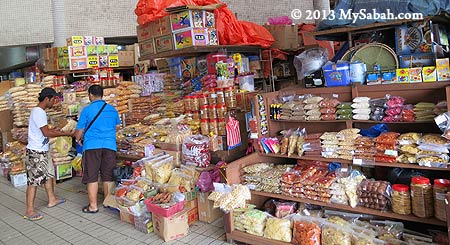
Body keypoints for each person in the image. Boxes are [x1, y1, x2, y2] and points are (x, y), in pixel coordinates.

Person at [24, 87, 73, 221]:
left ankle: (52, 199)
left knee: (49, 175)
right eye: (53, 99)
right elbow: (46, 133)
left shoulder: (40, 112)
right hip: (36, 152)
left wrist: (56, 130)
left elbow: (44, 131)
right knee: (33, 182)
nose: (54, 102)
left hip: (43, 150)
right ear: (47, 99)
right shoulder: (39, 112)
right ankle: (29, 210)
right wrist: (66, 133)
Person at [74, 85, 120, 213]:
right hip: (110, 146)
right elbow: (117, 127)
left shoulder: (87, 110)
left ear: (91, 95)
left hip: (92, 146)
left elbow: (79, 130)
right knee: (108, 175)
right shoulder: (112, 110)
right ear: (102, 95)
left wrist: (78, 139)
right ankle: (107, 202)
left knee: (92, 176)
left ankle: (93, 206)